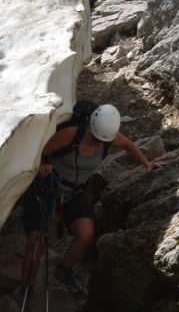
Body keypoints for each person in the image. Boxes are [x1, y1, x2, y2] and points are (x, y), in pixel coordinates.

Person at [21, 103, 165, 295]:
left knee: (86, 232)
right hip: (45, 188)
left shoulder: (108, 139)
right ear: (90, 127)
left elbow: (129, 145)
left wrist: (147, 164)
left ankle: (64, 270)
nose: (98, 144)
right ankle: (26, 289)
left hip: (73, 193)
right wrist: (40, 168)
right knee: (36, 240)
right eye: (95, 138)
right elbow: (38, 153)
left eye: (102, 141)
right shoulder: (69, 136)